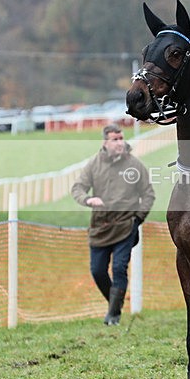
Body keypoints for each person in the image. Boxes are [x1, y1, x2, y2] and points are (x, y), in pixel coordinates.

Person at [71, 124, 155, 325]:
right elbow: (78, 188)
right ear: (105, 142)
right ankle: (114, 304)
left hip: (126, 225)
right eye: (114, 139)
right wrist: (88, 200)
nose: (119, 143)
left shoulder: (135, 165)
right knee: (98, 270)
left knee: (119, 268)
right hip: (100, 226)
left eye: (121, 138)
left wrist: (138, 218)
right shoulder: (94, 164)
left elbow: (148, 194)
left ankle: (113, 316)